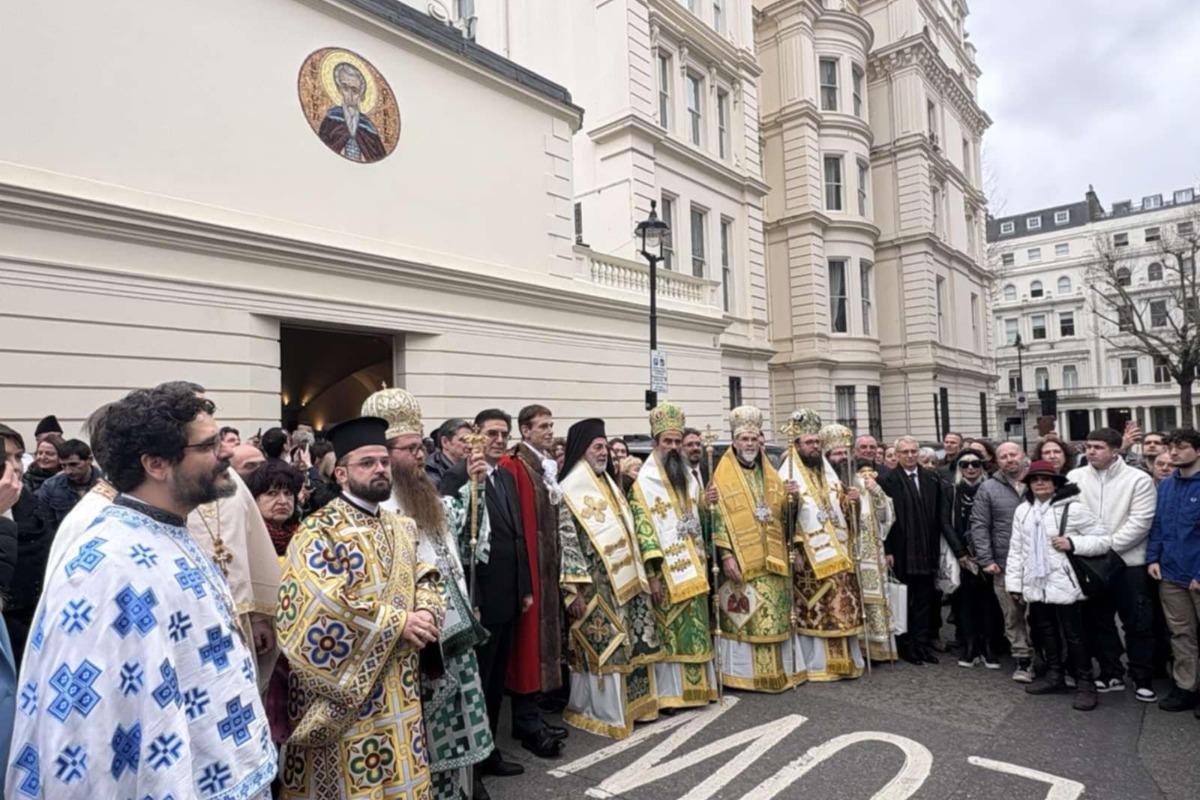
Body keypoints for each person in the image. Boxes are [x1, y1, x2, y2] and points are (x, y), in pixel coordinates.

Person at [7, 385, 276, 797]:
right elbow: (91, 724)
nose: (226, 453)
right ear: (156, 464)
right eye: (208, 445)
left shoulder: (167, 528)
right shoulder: (109, 565)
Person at [277, 415, 445, 799]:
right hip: (345, 694)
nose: (380, 470)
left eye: (384, 461)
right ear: (340, 474)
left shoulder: (403, 526)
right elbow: (316, 603)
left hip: (399, 685)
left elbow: (426, 576)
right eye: (367, 463)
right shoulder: (318, 530)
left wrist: (429, 613)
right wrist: (398, 621)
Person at [364, 388, 496, 800]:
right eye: (408, 448)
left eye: (420, 445)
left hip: (455, 625)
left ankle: (464, 789)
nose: (419, 455)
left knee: (462, 720)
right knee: (428, 731)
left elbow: (453, 536)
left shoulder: (425, 494)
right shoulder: (379, 507)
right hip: (420, 640)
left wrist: (474, 490)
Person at [439, 410, 543, 770]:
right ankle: (474, 760)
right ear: (475, 438)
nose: (498, 440)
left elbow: (518, 538)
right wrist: (474, 602)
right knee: (479, 683)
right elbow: (458, 549)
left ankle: (490, 751)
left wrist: (525, 587)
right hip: (482, 601)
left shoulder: (506, 477)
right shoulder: (456, 479)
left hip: (510, 596)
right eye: (491, 434)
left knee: (496, 681)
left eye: (503, 434)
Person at [558, 418, 661, 736]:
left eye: (605, 447)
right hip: (594, 586)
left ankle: (633, 708)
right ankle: (600, 711)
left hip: (623, 583)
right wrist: (572, 591)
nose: (603, 453)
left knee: (627, 645)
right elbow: (566, 542)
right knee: (603, 647)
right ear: (582, 450)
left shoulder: (608, 483)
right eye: (597, 447)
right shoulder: (569, 489)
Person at [706, 406, 803, 691]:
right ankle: (743, 676)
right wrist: (726, 556)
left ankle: (777, 672)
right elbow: (717, 519)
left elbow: (783, 516)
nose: (749, 444)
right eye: (744, 439)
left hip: (772, 559)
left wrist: (793, 500)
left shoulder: (771, 474)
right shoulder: (721, 475)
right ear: (735, 442)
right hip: (741, 562)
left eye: (753, 439)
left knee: (773, 618)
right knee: (746, 620)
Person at [629, 404, 717, 709]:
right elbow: (643, 532)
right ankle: (670, 695)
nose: (674, 447)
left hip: (697, 566)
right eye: (668, 441)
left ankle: (699, 689)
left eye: (678, 442)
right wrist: (652, 575)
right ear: (656, 443)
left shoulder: (690, 478)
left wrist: (708, 506)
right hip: (667, 574)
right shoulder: (644, 483)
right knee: (671, 633)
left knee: (695, 629)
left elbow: (700, 521)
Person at [1007, 460, 1110, 711]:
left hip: (1066, 584)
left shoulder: (1073, 509)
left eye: (1045, 478)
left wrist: (1072, 543)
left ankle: (1085, 683)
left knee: (1075, 635)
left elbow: (1103, 540)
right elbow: (1016, 550)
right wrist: (1015, 584)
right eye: (1034, 479)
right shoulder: (1023, 511)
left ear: (1055, 483)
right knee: (1046, 631)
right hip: (1036, 581)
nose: (1039, 483)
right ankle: (1056, 676)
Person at [1069, 428, 1158, 701]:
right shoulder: (1074, 477)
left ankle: (1142, 676)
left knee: (1137, 621)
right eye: (1088, 446)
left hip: (1129, 562)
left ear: (1115, 450)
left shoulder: (1138, 480)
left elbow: (1140, 523)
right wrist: (1089, 549)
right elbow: (1069, 514)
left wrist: (1104, 547)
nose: (1091, 451)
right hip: (1091, 563)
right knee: (1099, 620)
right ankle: (1110, 671)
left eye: (1098, 447)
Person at [777, 415, 865, 681]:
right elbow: (780, 519)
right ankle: (817, 664)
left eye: (817, 441)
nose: (815, 446)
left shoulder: (829, 475)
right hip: (810, 559)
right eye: (809, 442)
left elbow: (846, 517)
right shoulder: (788, 475)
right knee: (816, 610)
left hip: (839, 555)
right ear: (797, 445)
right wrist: (789, 504)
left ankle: (843, 662)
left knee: (841, 606)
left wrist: (852, 502)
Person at [498, 405, 566, 743]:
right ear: (525, 431)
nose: (550, 431)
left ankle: (533, 713)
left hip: (546, 567)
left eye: (551, 425)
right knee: (526, 646)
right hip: (528, 571)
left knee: (539, 646)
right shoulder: (515, 465)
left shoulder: (541, 465)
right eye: (543, 426)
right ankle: (525, 721)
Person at [879, 436, 961, 666]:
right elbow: (884, 521)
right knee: (905, 599)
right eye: (904, 452)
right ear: (896, 454)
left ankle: (922, 643)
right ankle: (906, 646)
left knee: (926, 600)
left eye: (913, 451)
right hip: (902, 549)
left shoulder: (930, 478)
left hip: (927, 548)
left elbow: (939, 515)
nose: (910, 455)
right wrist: (887, 550)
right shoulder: (887, 480)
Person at [969, 442, 1034, 682]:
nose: (1009, 460)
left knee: (1038, 616)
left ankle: (1049, 659)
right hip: (1005, 562)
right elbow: (979, 525)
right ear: (997, 461)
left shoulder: (1039, 481)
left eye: (1013, 454)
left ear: (1023, 455)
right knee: (1012, 615)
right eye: (1003, 456)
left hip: (1038, 564)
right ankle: (1023, 660)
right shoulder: (988, 488)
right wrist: (986, 559)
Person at [1146, 429, 1200, 714]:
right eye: (1171, 447)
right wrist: (1153, 558)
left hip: (1196, 573)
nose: (1174, 453)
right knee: (1181, 634)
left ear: (1198, 450)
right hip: (1170, 573)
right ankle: (1186, 686)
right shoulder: (1166, 486)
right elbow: (1159, 525)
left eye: (1181, 447)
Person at [832, 437, 897, 662]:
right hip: (845, 549)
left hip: (869, 548)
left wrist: (876, 490)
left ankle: (877, 648)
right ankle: (853, 648)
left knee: (872, 595)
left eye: (843, 453)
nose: (841, 458)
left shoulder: (866, 480)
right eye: (836, 453)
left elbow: (886, 515)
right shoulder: (831, 481)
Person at [0, 425, 57, 664]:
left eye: (18, 456)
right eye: (4, 458)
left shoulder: (31, 503)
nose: (15, 466)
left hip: (34, 630)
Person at [949, 452, 998, 668]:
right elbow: (945, 521)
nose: (970, 468)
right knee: (964, 601)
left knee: (988, 601)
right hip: (961, 555)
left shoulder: (991, 487)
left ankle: (988, 645)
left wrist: (984, 552)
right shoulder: (952, 490)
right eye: (965, 464)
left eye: (975, 464)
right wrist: (960, 552)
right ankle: (969, 645)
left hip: (987, 553)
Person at [317, 60, 388, 163]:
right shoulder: (331, 120)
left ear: (361, 94)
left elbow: (378, 158)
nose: (349, 95)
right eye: (345, 88)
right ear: (339, 89)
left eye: (354, 90)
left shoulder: (369, 128)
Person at [35, 438, 102, 528]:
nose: (68, 471)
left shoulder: (108, 484)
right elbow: (46, 526)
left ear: (89, 460)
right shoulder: (50, 487)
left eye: (74, 464)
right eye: (63, 465)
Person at [426, 418, 471, 486]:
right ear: (445, 442)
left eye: (472, 440)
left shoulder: (472, 465)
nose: (470, 446)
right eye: (464, 440)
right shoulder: (430, 469)